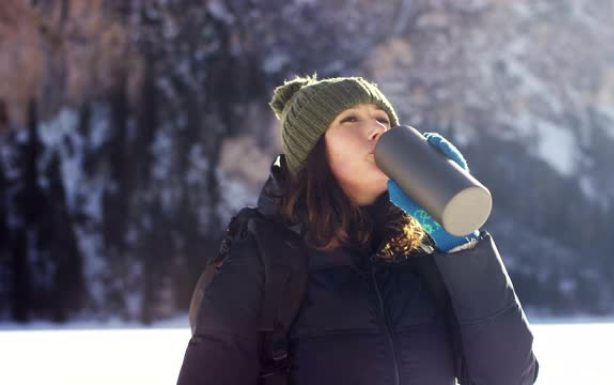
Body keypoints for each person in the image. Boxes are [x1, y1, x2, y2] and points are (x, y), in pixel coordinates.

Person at [177, 74, 539, 385]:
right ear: (311, 153)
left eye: (383, 118)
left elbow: (509, 377)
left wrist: (463, 247)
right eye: (349, 119)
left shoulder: (423, 254)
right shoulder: (261, 256)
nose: (377, 130)